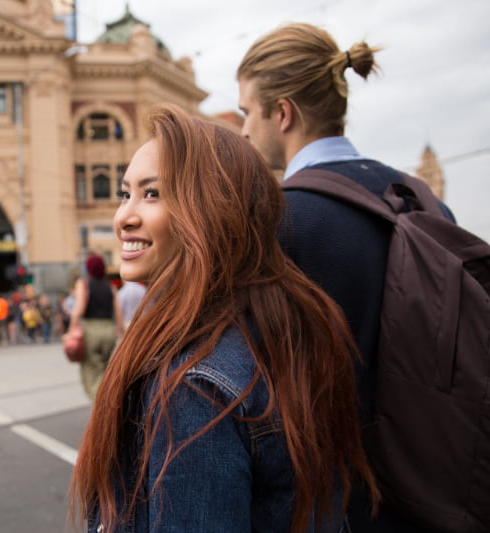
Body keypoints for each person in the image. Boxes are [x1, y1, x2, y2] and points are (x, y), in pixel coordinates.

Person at [69, 104, 378, 532]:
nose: (125, 217)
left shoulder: (197, 385)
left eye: (152, 193)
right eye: (126, 194)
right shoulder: (287, 329)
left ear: (213, 209)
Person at [236, 23, 454, 531]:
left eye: (247, 112)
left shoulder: (278, 220)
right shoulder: (422, 199)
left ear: (283, 112)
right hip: (436, 483)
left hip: (335, 504)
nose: (244, 129)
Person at [68, 253, 123, 401]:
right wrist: (120, 332)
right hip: (108, 330)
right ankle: (109, 402)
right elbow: (118, 312)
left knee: (92, 373)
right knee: (104, 371)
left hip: (90, 331)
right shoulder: (110, 286)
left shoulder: (83, 284)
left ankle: (102, 411)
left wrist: (71, 331)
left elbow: (79, 309)